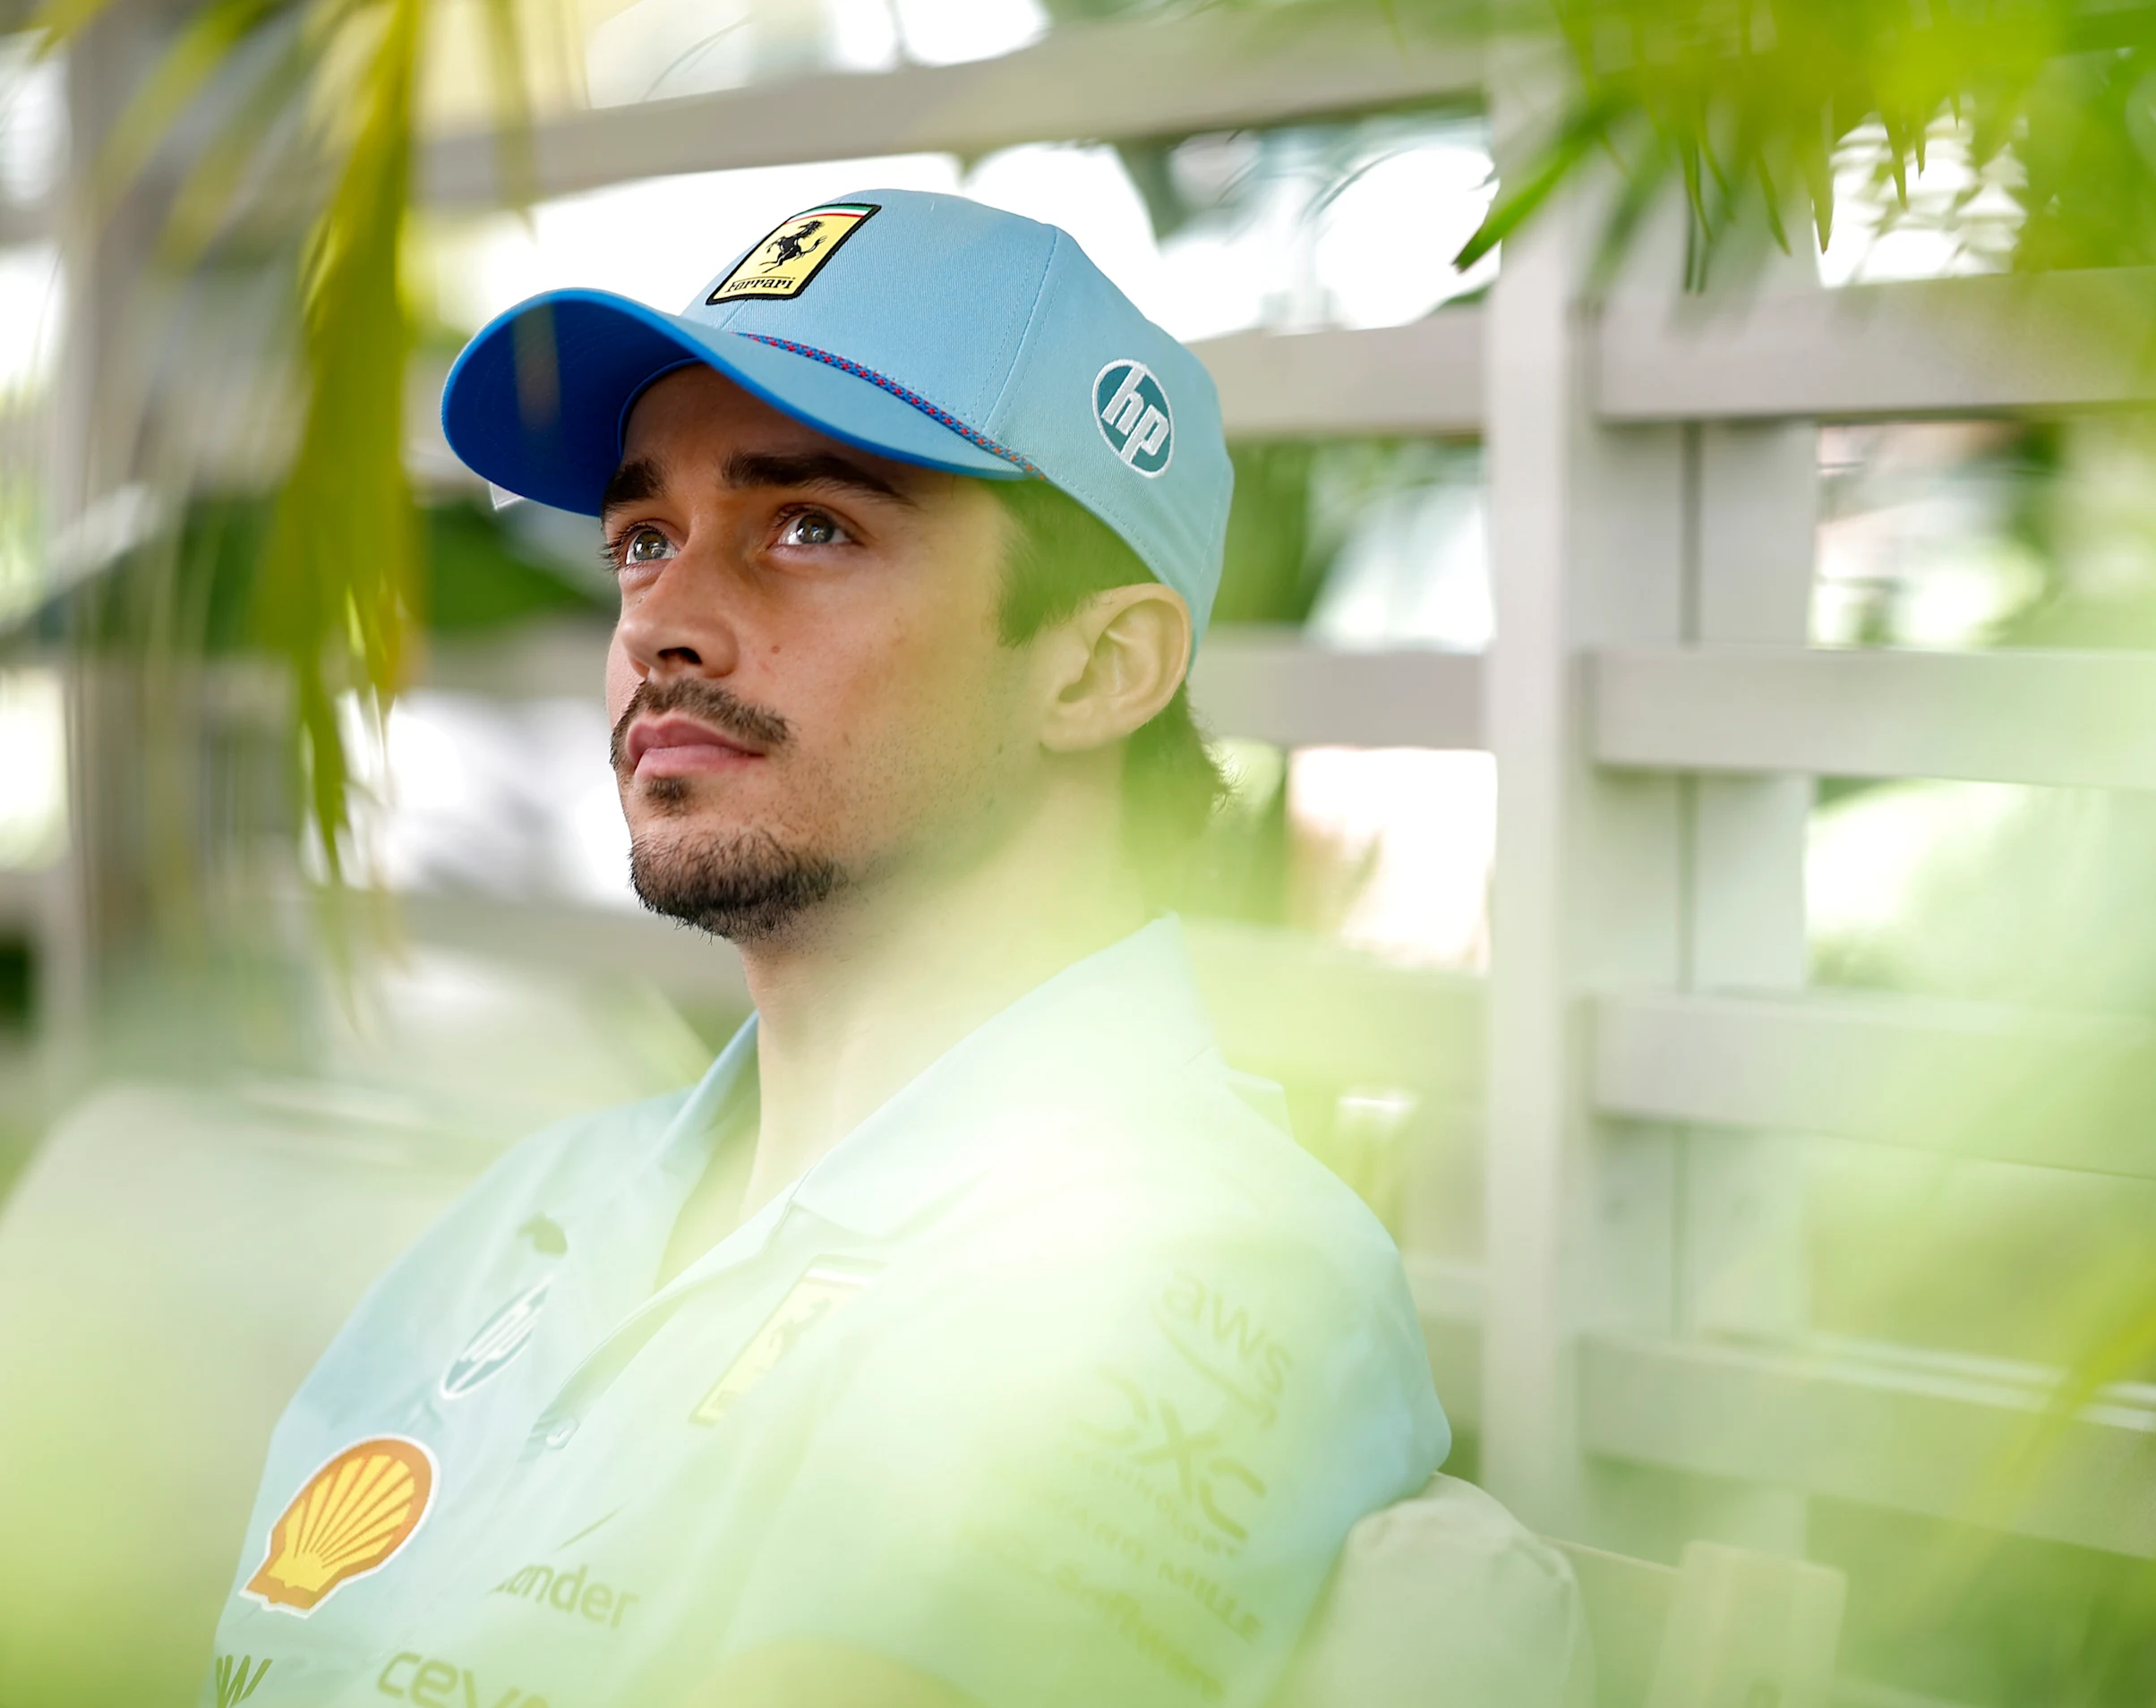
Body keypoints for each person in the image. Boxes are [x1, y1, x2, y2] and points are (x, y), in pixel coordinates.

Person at [199, 189, 1450, 1708]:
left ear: (1098, 668)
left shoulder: (1195, 1258)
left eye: (809, 528)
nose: (661, 621)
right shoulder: (532, 1209)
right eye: (642, 538)